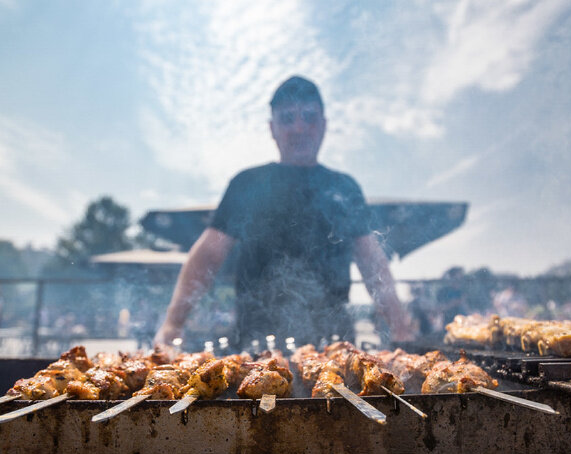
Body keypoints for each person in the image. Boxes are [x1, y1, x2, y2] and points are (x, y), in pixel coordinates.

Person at [155, 75, 413, 350]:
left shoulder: (344, 187)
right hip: (255, 347)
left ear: (324, 125)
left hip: (333, 347)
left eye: (309, 117)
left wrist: (399, 325)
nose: (299, 128)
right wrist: (173, 323)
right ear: (272, 128)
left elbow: (372, 261)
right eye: (288, 118)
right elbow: (208, 255)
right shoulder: (248, 184)